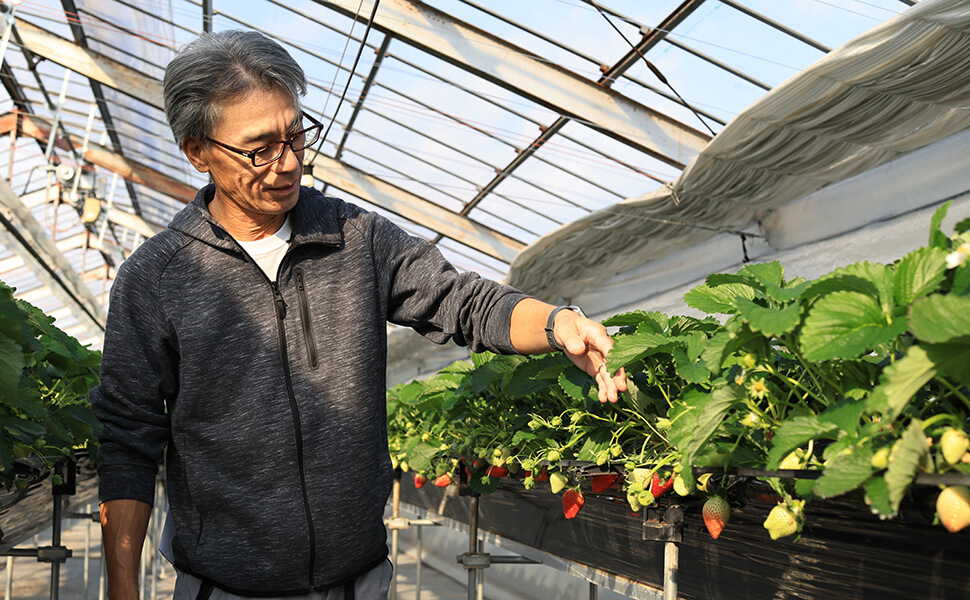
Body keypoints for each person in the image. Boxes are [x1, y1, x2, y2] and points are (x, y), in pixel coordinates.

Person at [91, 30, 626, 600]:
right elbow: (129, 436)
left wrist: (555, 323)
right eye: (260, 148)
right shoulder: (159, 278)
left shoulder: (356, 239)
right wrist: (123, 587)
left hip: (359, 582)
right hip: (225, 588)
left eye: (296, 134)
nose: (288, 163)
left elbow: (461, 300)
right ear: (198, 150)